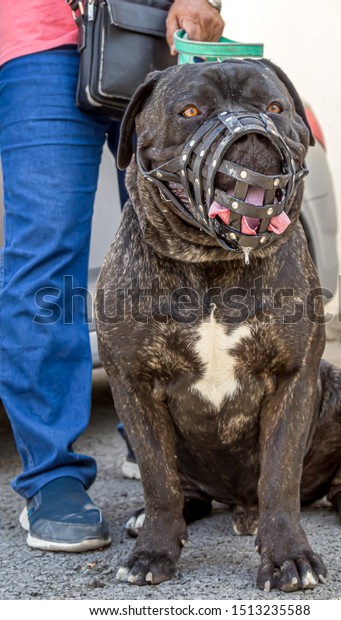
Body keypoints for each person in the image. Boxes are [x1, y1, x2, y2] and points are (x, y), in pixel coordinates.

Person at [0, 0, 224, 552]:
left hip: (154, 36)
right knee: (44, 255)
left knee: (175, 248)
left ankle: (166, 449)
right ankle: (51, 477)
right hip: (39, 43)